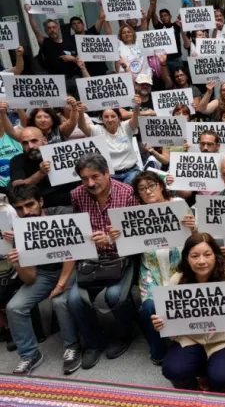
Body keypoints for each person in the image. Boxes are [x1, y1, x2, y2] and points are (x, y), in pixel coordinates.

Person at [151, 233, 225, 391]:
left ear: (216, 255)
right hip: (192, 337)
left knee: (222, 377)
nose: (201, 261)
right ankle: (194, 386)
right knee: (173, 369)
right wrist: (161, 323)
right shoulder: (177, 280)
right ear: (186, 258)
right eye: (194, 256)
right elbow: (168, 315)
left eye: (207, 254)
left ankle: (219, 374)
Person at [110, 172, 195, 365]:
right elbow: (127, 247)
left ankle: (186, 342)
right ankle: (157, 350)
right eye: (142, 189)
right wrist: (116, 237)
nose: (147, 191)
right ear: (138, 194)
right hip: (151, 272)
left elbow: (196, 240)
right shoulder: (134, 215)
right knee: (149, 306)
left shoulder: (178, 204)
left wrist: (193, 227)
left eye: (151, 186)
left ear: (160, 186)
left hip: (180, 269)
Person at [67, 154, 140, 370]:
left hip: (121, 257)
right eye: (84, 178)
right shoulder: (76, 195)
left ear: (107, 173)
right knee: (74, 300)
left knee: (114, 295)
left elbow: (138, 232)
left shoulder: (127, 193)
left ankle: (124, 334)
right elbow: (76, 229)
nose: (90, 183)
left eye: (95, 176)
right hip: (90, 260)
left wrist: (113, 238)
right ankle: (92, 343)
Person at [4, 184, 79, 375]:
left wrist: (61, 284)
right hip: (43, 274)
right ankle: (30, 354)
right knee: (14, 307)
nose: (25, 212)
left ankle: (72, 347)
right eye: (19, 208)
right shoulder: (20, 230)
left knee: (60, 301)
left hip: (71, 267)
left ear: (41, 201)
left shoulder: (61, 214)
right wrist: (17, 263)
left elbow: (72, 253)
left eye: (30, 205)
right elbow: (30, 279)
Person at [9, 125, 75, 208]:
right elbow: (17, 186)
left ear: (44, 140)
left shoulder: (62, 152)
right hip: (39, 207)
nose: (30, 146)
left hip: (69, 202)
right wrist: (41, 173)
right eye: (25, 143)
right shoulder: (17, 160)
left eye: (34, 141)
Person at [78, 99, 142, 185]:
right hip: (110, 176)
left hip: (131, 172)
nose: (110, 119)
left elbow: (136, 119)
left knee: (130, 184)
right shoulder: (97, 130)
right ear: (101, 119)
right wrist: (80, 112)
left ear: (119, 117)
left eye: (113, 116)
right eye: (106, 117)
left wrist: (137, 106)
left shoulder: (126, 126)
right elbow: (82, 126)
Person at [24, 5, 80, 79]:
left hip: (72, 77)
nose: (52, 30)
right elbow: (35, 30)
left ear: (58, 29)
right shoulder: (45, 42)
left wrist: (72, 59)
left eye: (54, 27)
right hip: (55, 79)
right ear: (46, 31)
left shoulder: (68, 43)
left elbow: (78, 59)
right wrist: (29, 13)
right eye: (49, 28)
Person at [148, 0, 183, 67]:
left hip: (177, 59)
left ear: (170, 16)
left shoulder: (176, 25)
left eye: (166, 15)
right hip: (164, 61)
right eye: (162, 16)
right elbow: (153, 13)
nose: (164, 17)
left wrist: (185, 3)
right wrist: (154, 0)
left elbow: (182, 14)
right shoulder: (159, 27)